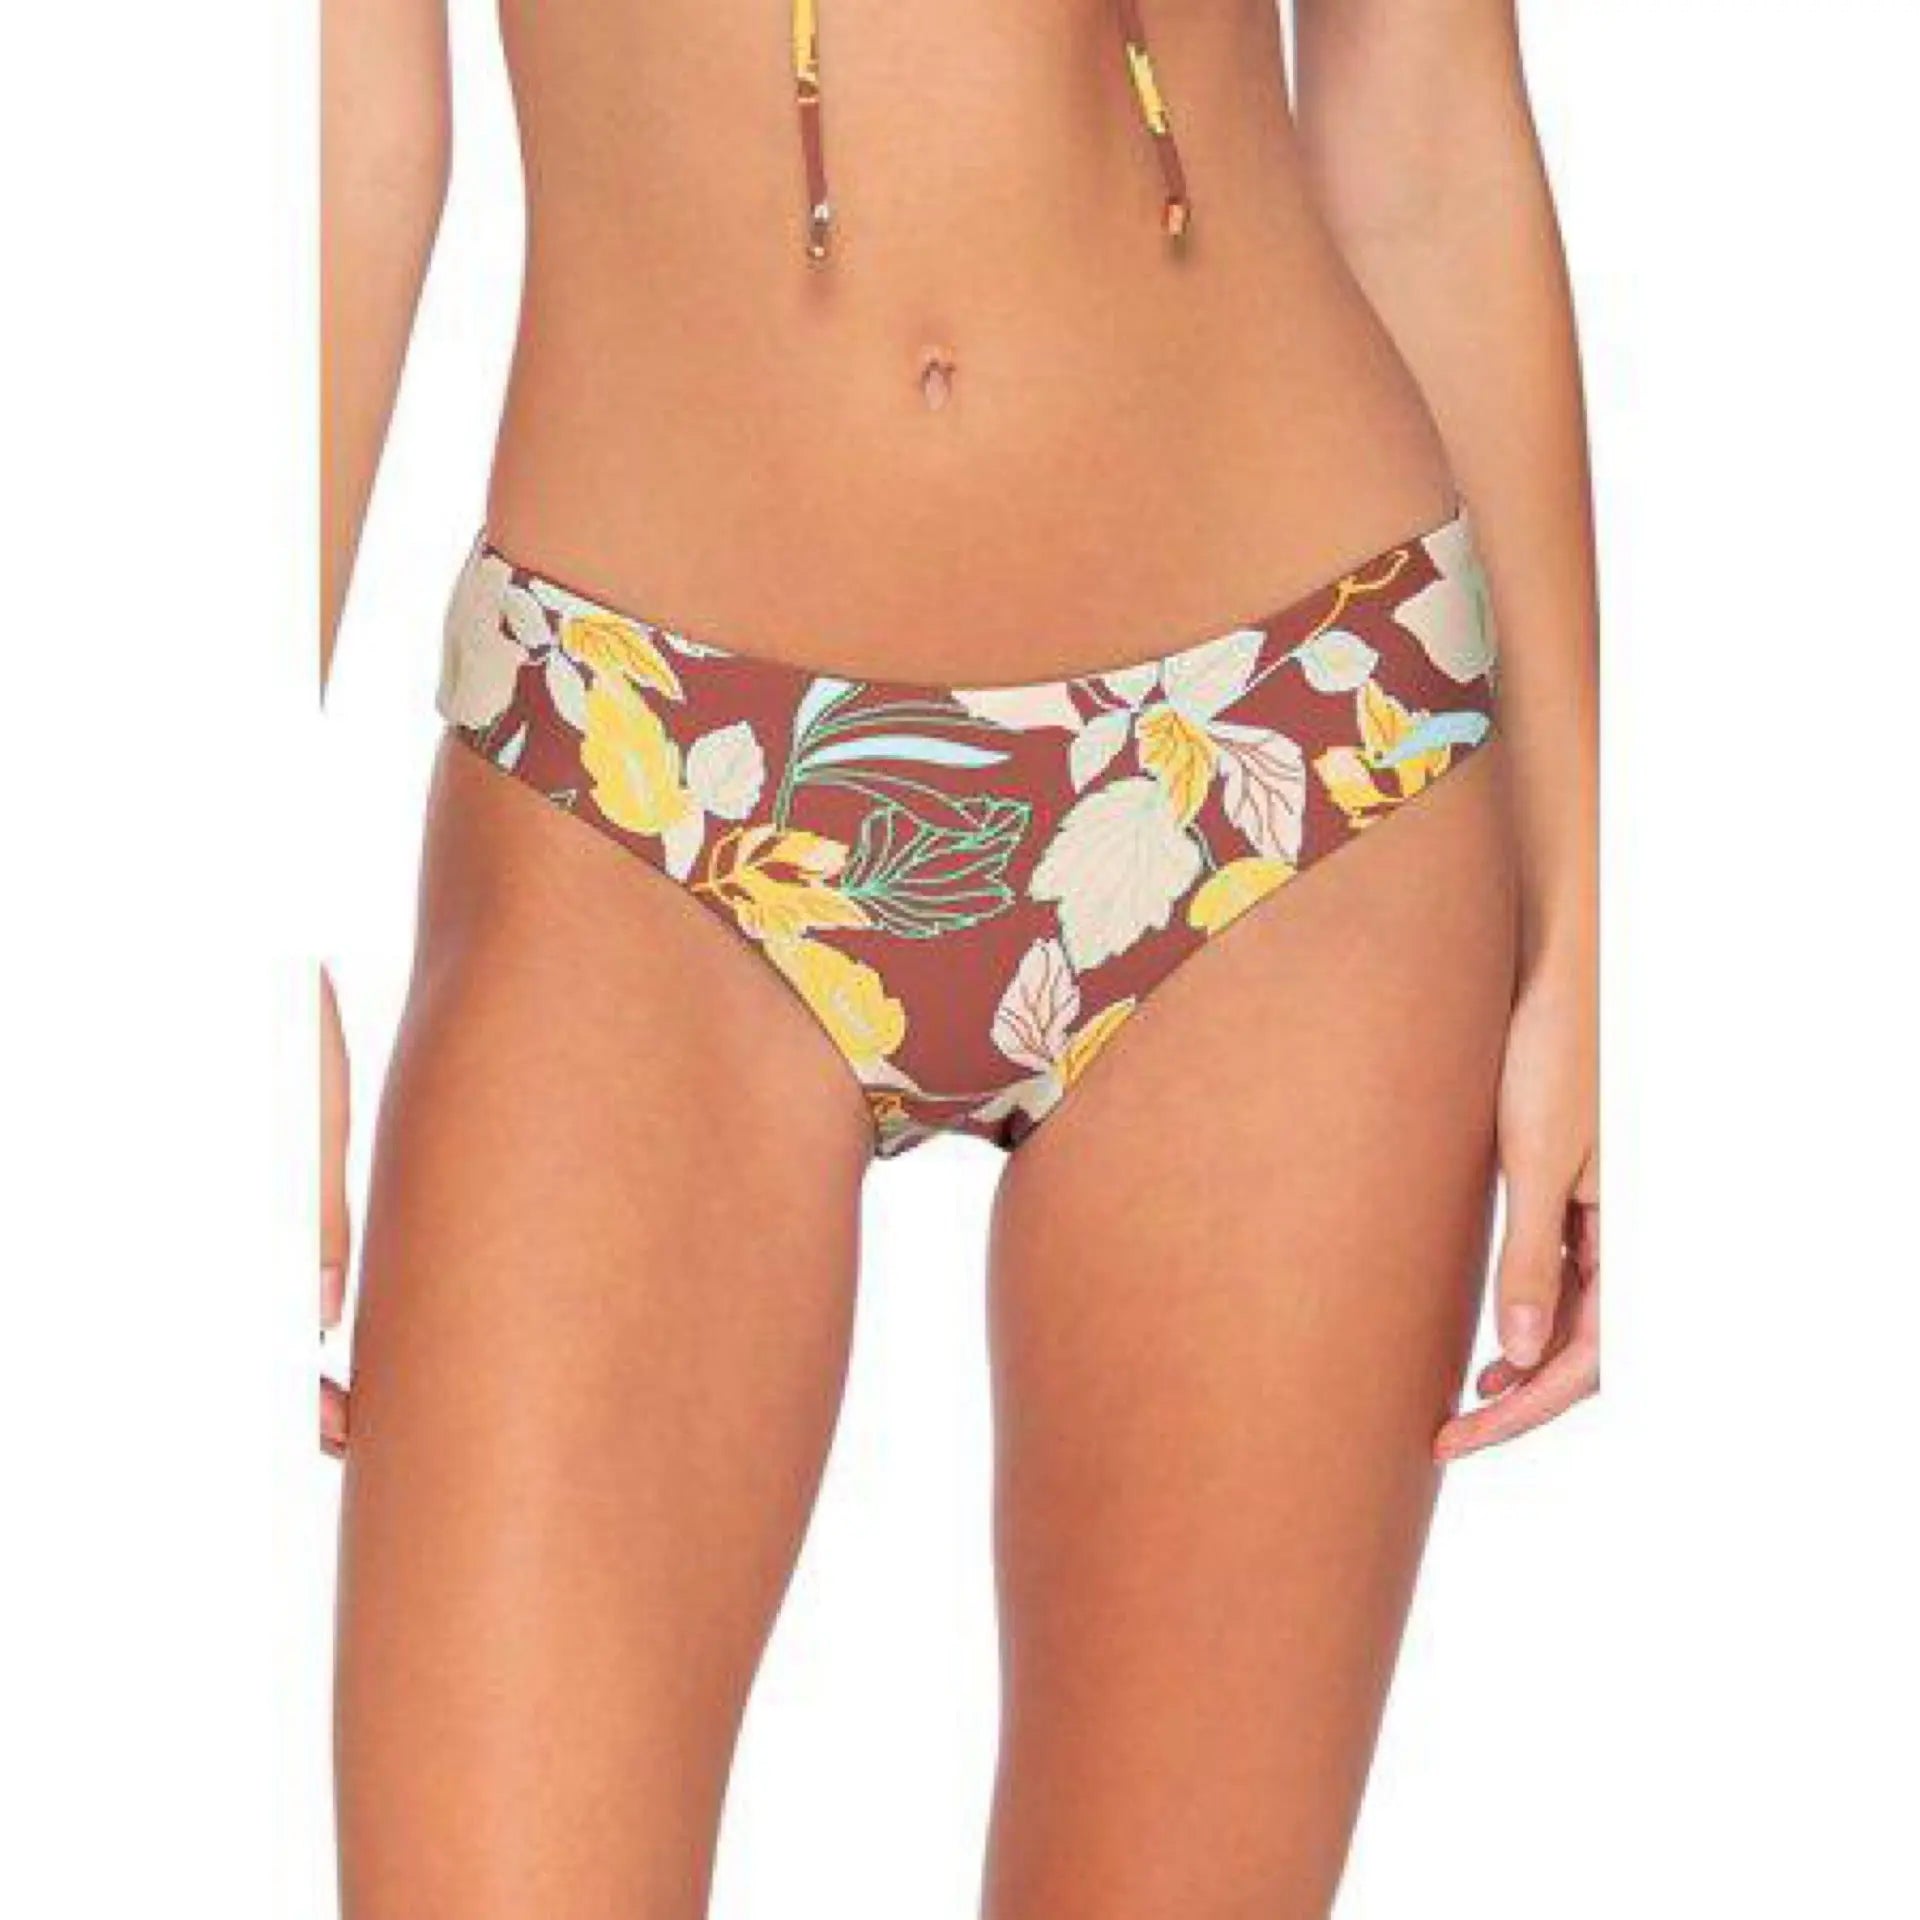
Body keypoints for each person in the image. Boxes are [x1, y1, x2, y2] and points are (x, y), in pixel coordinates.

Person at [322, 1, 1598, 1911]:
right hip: (634, 769)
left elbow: (1419, 108)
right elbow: (338, 140)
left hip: (1291, 748)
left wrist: (1586, 928)